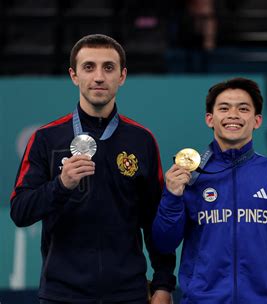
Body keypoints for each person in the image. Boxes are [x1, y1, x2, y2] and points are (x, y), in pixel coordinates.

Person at [10, 34, 176, 304]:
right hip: (62, 295)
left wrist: (163, 284)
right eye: (89, 67)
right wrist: (60, 185)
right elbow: (20, 211)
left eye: (108, 67)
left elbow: (153, 221)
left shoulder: (142, 140)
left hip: (128, 294)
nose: (99, 77)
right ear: (74, 75)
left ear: (122, 76)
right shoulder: (46, 138)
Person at [152, 77, 267, 303]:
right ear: (210, 119)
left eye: (243, 109)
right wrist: (172, 196)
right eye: (224, 108)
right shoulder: (189, 178)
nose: (233, 115)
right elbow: (164, 243)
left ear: (257, 120)